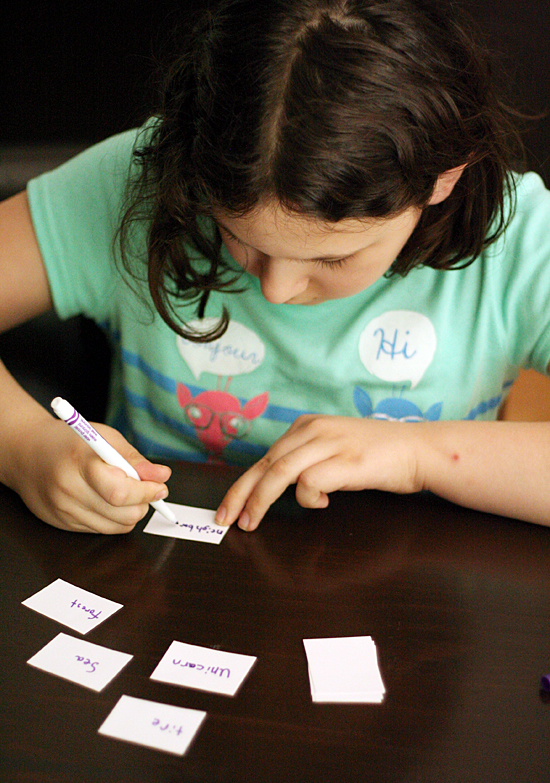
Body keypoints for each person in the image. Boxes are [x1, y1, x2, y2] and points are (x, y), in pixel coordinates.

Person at [1, 0, 550, 535]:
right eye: (237, 238)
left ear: (442, 179)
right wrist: (23, 446)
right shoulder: (138, 182)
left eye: (332, 257)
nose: (276, 289)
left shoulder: (522, 241)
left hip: (419, 574)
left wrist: (418, 455)